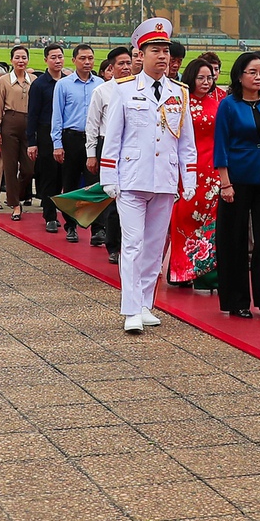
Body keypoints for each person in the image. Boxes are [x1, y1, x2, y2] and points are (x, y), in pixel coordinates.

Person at [101, 18, 196, 334]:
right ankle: (130, 309)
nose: (162, 56)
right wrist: (108, 176)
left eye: (166, 50)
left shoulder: (178, 92)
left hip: (165, 180)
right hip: (131, 177)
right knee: (132, 244)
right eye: (155, 50)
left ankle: (145, 304)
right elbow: (113, 136)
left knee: (155, 246)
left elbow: (186, 142)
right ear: (140, 54)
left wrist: (190, 179)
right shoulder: (125, 89)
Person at [213, 51, 260, 320]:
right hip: (236, 180)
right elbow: (220, 144)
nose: (259, 77)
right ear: (240, 76)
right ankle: (237, 300)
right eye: (253, 72)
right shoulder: (229, 105)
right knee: (233, 239)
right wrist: (225, 183)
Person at [166, 52, 223, 289]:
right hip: (188, 170)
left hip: (214, 170)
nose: (206, 82)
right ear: (191, 78)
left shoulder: (220, 100)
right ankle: (180, 271)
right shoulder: (181, 101)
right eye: (201, 78)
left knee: (211, 221)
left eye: (209, 77)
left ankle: (206, 274)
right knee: (184, 219)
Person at [86, 45, 134, 261]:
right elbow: (92, 125)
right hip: (108, 145)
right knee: (113, 198)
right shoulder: (102, 91)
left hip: (132, 148)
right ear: (111, 68)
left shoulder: (138, 88)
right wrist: (91, 154)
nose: (126, 67)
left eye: (128, 63)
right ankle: (113, 246)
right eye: (121, 64)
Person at [50, 44, 100, 242]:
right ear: (74, 60)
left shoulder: (100, 84)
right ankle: (70, 225)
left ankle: (97, 229)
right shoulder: (64, 84)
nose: (87, 62)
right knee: (70, 184)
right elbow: (57, 116)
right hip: (71, 138)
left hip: (93, 138)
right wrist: (57, 144)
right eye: (83, 58)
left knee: (94, 185)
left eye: (90, 58)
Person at [0, 46, 36, 221]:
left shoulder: (34, 80)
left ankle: (20, 194)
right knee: (9, 166)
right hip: (10, 122)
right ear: (11, 60)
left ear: (28, 60)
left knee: (28, 169)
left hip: (29, 124)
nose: (21, 61)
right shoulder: (4, 81)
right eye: (17, 57)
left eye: (24, 57)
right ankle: (15, 204)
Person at [26, 45, 67, 230]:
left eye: (60, 57)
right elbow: (32, 114)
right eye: (53, 57)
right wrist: (32, 142)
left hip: (66, 133)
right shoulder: (39, 84)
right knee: (49, 174)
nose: (58, 61)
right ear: (46, 60)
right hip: (46, 132)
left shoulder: (68, 82)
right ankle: (49, 215)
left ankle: (62, 213)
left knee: (63, 176)